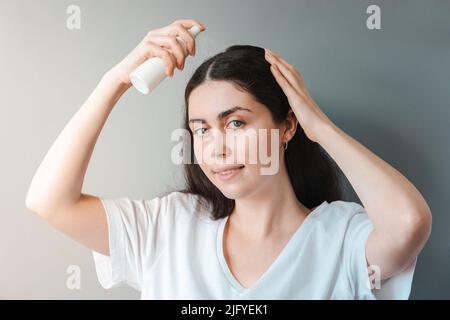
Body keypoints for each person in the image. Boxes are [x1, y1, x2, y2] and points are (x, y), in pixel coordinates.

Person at [25, 19, 432, 299]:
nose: (216, 147)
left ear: (287, 126)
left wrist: (319, 127)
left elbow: (409, 223)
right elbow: (50, 201)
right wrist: (114, 81)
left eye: (235, 123)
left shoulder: (341, 240)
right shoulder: (167, 227)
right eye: (201, 129)